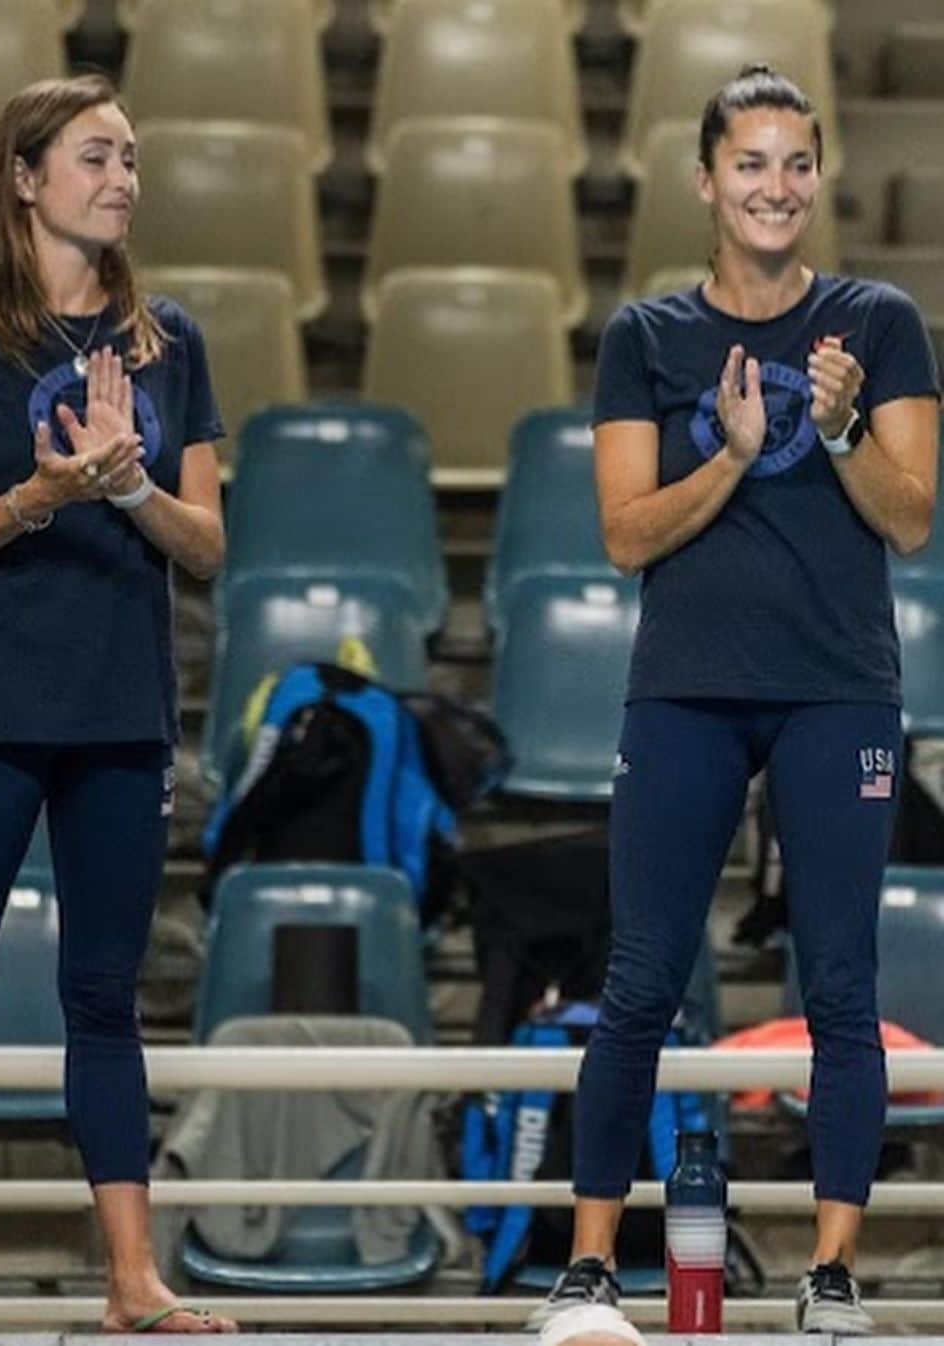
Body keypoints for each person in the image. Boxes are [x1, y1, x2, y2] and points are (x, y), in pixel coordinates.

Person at [531, 64, 939, 1345]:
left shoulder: (878, 323)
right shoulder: (646, 339)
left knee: (839, 982)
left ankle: (831, 1273)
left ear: (819, 179)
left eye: (797, 164)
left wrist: (834, 428)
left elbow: (912, 517)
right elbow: (623, 535)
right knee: (643, 976)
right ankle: (593, 1270)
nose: (776, 186)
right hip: (686, 695)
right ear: (705, 180)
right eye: (750, 163)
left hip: (838, 694)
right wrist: (729, 448)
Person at [0, 75, 237, 1334]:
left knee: (106, 997)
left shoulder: (168, 339)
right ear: (23, 176)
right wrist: (42, 494)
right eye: (95, 155)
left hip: (122, 714)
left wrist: (126, 489)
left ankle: (132, 1278)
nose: (123, 177)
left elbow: (207, 546)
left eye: (132, 156)